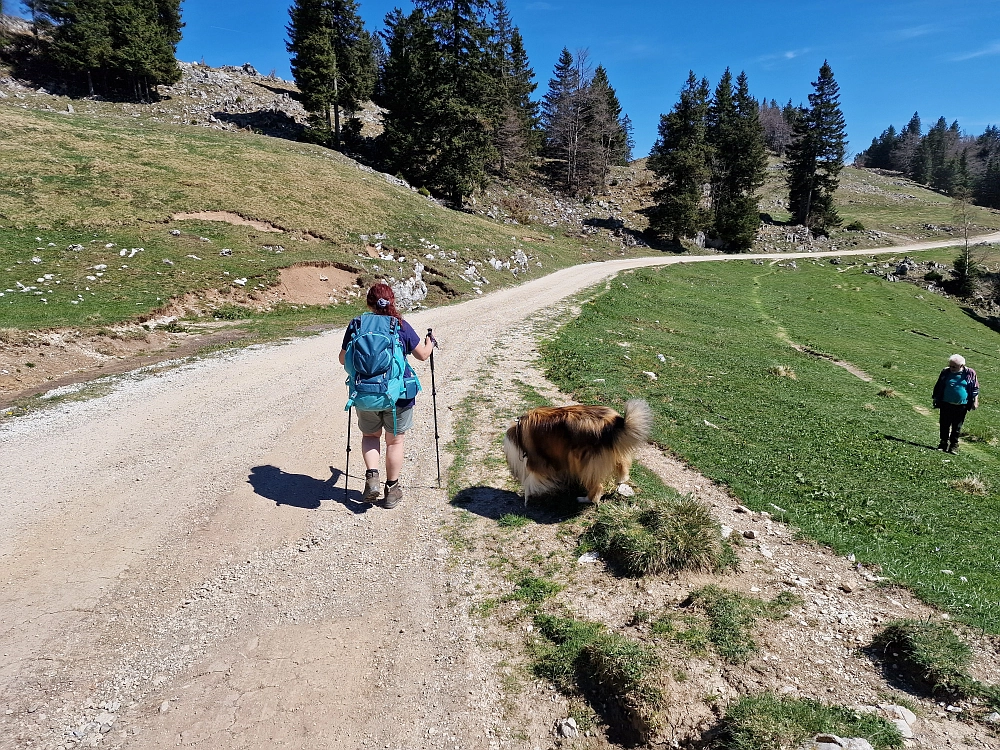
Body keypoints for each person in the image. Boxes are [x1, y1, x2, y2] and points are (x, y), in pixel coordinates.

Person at [340, 283, 434, 508]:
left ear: (369, 303)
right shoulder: (399, 324)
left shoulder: (357, 324)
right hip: (398, 395)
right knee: (395, 441)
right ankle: (392, 489)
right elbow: (422, 354)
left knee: (370, 437)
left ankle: (372, 477)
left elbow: (344, 359)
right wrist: (431, 342)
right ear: (392, 301)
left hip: (365, 393)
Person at [932, 354, 979, 454]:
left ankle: (954, 445)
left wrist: (975, 401)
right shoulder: (945, 372)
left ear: (961, 366)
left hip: (962, 405)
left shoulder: (970, 373)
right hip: (946, 403)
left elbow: (975, 388)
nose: (951, 368)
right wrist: (936, 398)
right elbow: (939, 385)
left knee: (956, 426)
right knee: (944, 424)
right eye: (950, 365)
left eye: (954, 366)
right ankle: (943, 443)